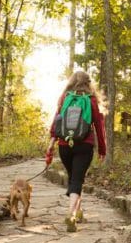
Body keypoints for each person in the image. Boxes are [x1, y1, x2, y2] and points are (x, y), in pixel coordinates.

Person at [45, 70, 107, 232]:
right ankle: (71, 214)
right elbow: (99, 126)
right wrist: (102, 148)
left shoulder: (64, 97)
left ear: (71, 82)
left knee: (74, 179)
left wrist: (51, 143)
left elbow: (56, 121)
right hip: (84, 145)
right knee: (77, 180)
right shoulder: (91, 100)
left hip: (65, 145)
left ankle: (78, 211)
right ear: (88, 83)